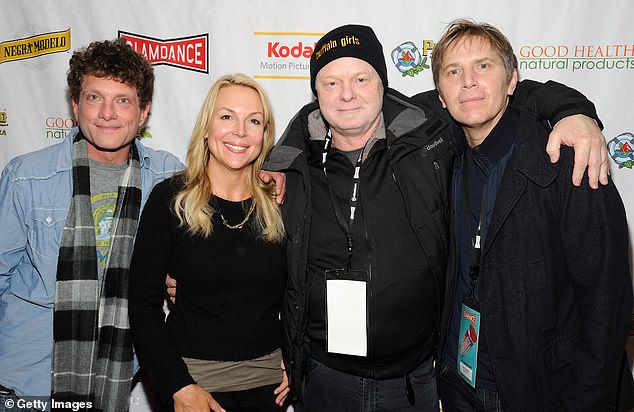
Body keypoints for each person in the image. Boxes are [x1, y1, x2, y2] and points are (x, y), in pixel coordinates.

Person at [261, 24, 610, 411]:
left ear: (383, 85)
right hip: (333, 378)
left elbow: (604, 298)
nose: (346, 93)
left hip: (429, 382)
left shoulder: (429, 139)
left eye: (361, 78)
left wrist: (573, 112)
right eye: (330, 83)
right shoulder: (295, 169)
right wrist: (280, 157)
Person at [430, 19, 634, 411]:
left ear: (512, 82)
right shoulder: (443, 156)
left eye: (483, 66)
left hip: (542, 392)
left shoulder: (570, 162)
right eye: (453, 72)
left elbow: (605, 306)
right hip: (459, 384)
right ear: (440, 94)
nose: (468, 82)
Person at [0, 38, 184, 411]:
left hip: (115, 378)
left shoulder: (168, 177)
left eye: (123, 100)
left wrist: (275, 173)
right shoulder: (26, 177)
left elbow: (232, 185)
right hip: (26, 382)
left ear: (144, 111)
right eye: (94, 97)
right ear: (75, 105)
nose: (107, 113)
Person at [129, 73, 290, 412]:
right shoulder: (169, 200)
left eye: (254, 121)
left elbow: (303, 291)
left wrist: (299, 357)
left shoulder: (281, 203)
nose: (240, 131)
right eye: (227, 116)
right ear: (206, 127)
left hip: (270, 389)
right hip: (193, 387)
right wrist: (177, 385)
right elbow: (142, 306)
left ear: (265, 135)